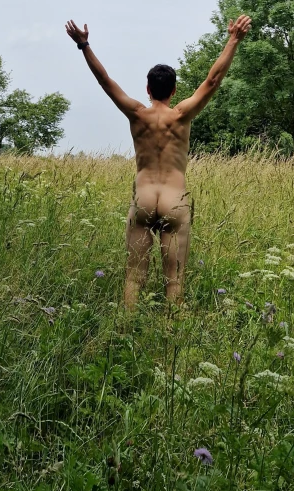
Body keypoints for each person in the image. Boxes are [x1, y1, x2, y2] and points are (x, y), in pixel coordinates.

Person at [65, 15, 251, 308]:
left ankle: (126, 328)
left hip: (143, 198)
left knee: (133, 278)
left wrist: (84, 45)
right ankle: (171, 334)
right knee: (174, 280)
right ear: (174, 91)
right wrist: (234, 39)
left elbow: (105, 81)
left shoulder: (137, 113)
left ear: (148, 89)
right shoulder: (182, 115)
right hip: (175, 201)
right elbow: (212, 81)